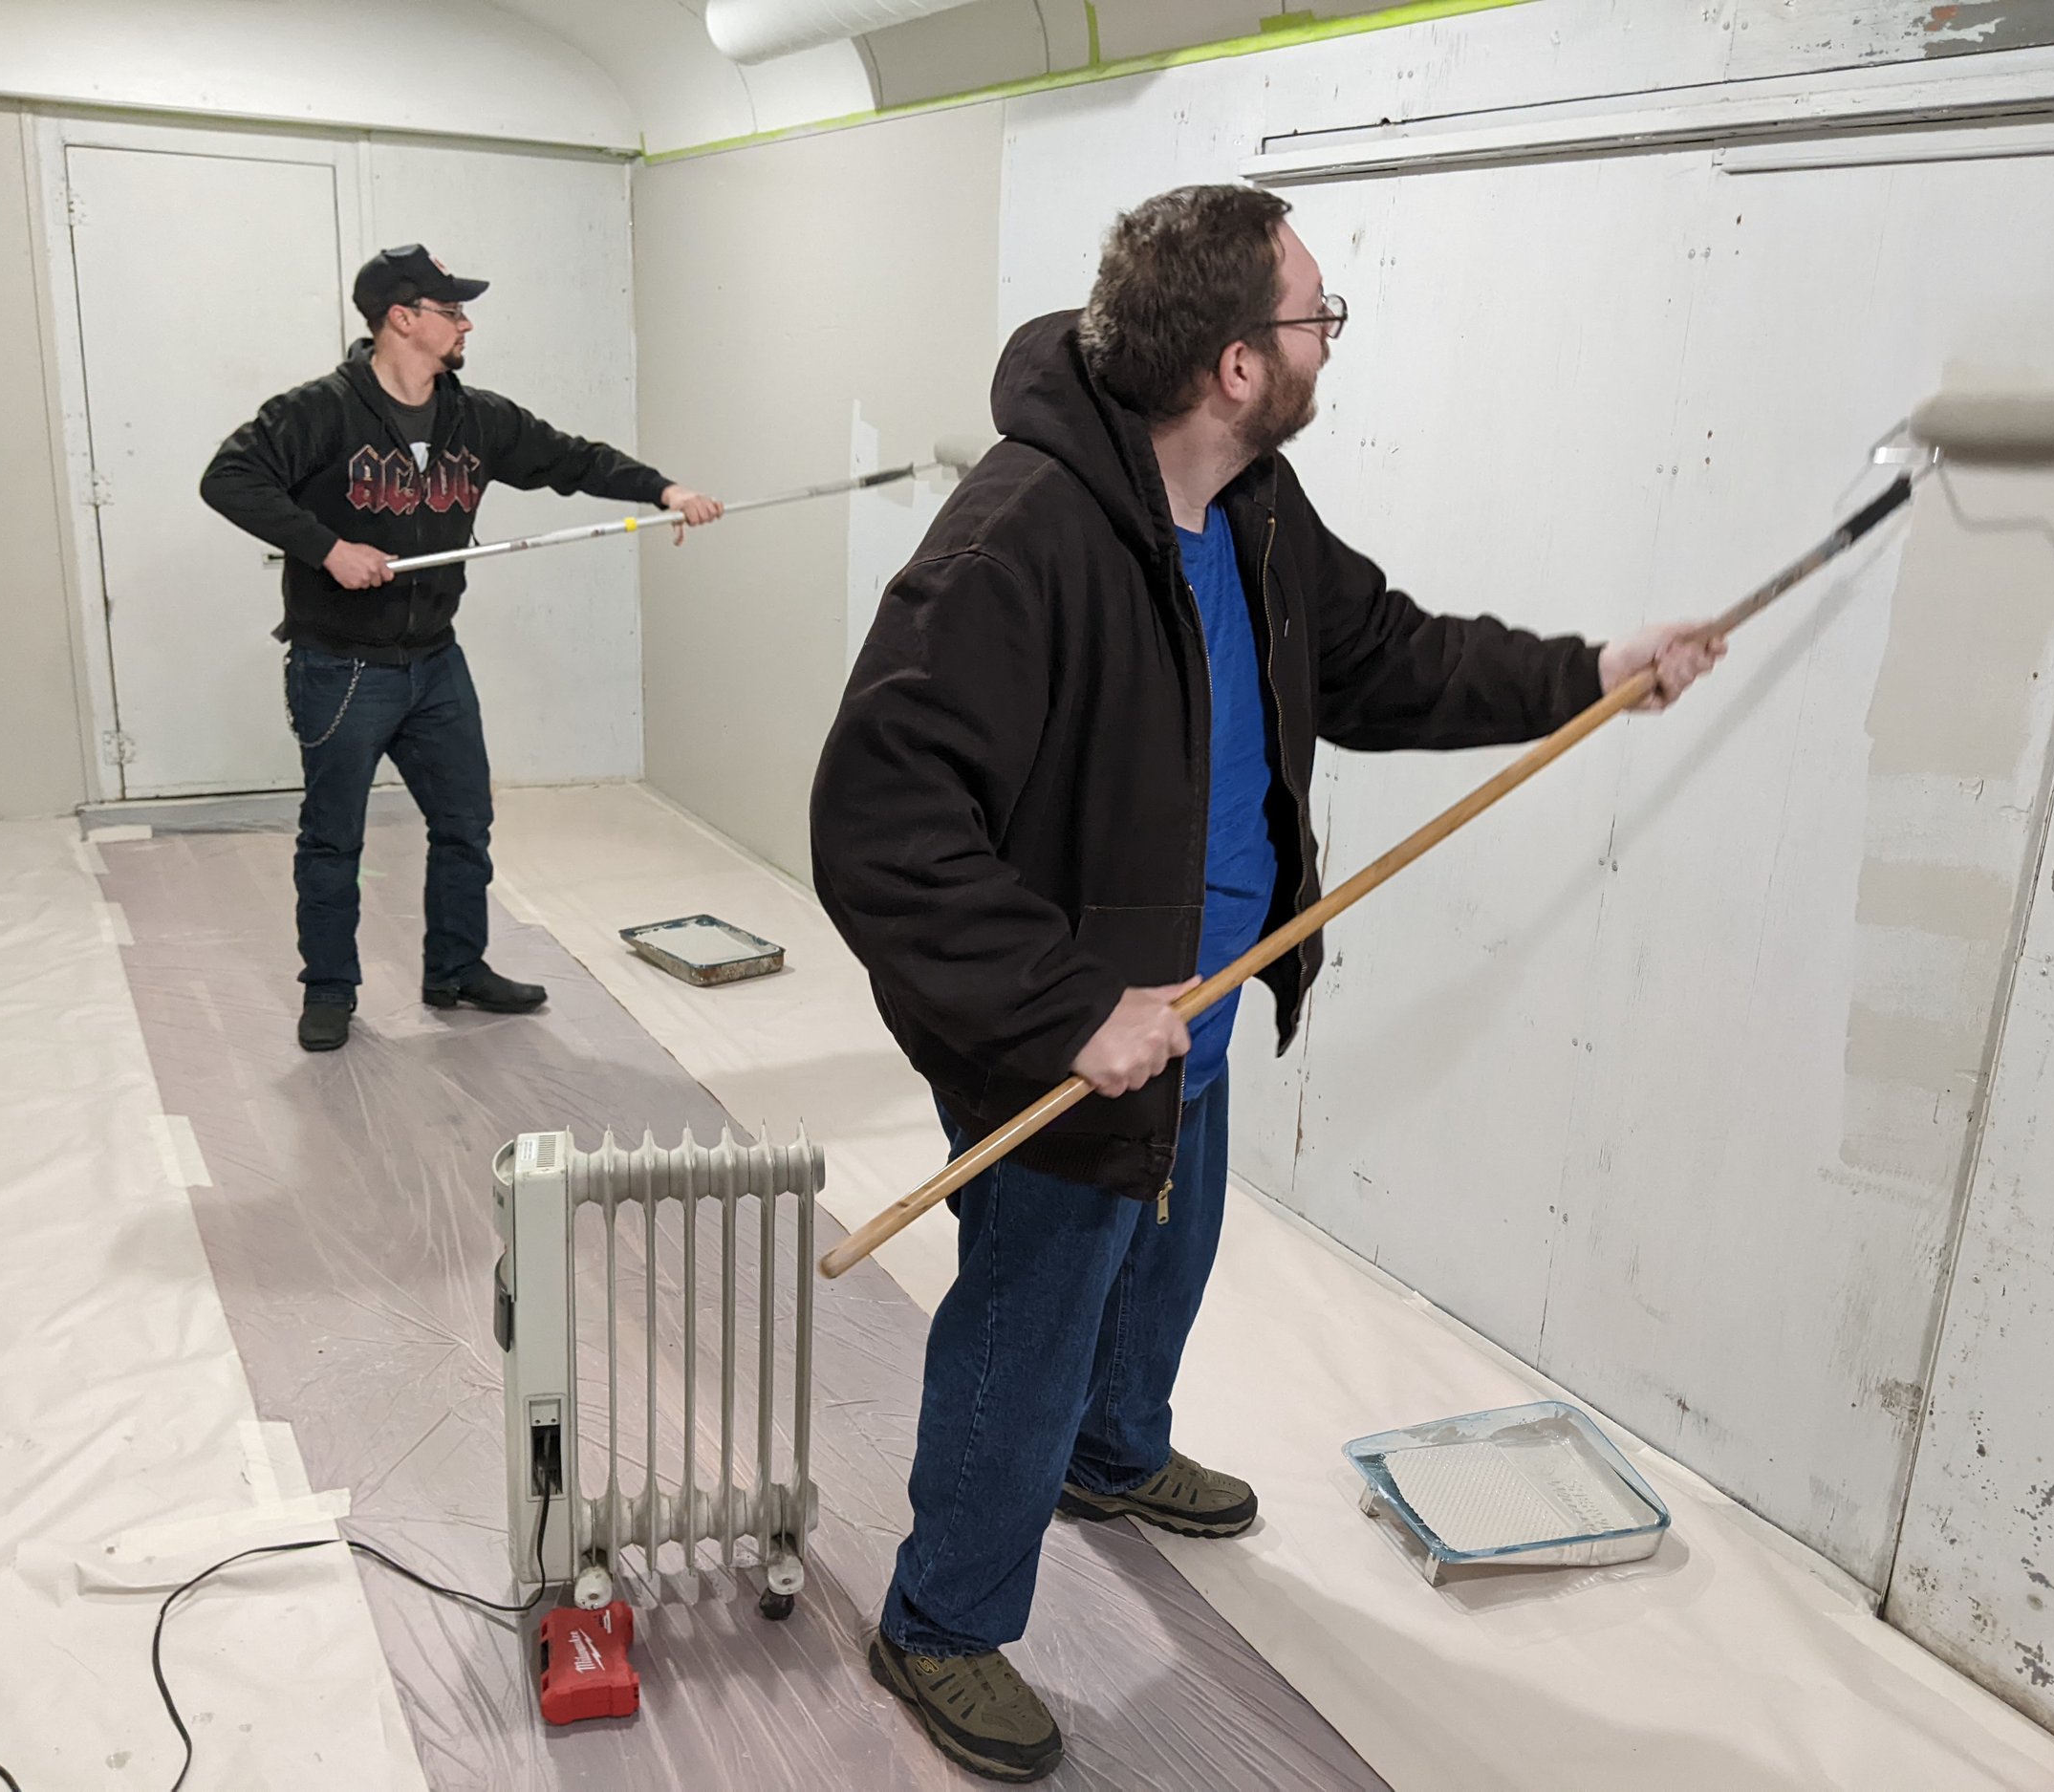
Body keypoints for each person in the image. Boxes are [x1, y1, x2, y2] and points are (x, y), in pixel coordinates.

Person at [809, 184, 1721, 1783]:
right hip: (1066, 1036)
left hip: (1200, 1006)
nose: (1328, 341)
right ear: (1237, 361)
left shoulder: (1259, 511)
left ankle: (1113, 1457)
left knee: (1166, 1265)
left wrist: (1588, 673)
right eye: (1316, 317)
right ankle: (941, 1622)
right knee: (1031, 1318)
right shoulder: (1021, 538)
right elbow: (877, 821)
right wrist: (1067, 1010)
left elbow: (1389, 657)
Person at [202, 246, 724, 1052]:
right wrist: (327, 547)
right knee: (334, 836)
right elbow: (230, 477)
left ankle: (456, 968)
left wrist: (665, 490)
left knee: (464, 822)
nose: (465, 322)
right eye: (451, 310)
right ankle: (330, 991)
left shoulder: (474, 417)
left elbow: (569, 457)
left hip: (434, 660)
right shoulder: (318, 412)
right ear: (401, 318)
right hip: (339, 664)